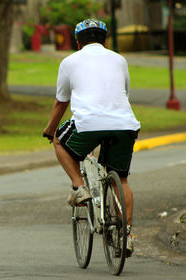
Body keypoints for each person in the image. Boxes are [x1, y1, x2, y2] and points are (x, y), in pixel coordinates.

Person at [43, 18, 140, 257]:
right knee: (123, 180)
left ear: (78, 43)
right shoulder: (119, 59)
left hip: (88, 124)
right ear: (105, 41)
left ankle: (79, 186)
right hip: (125, 124)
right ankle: (126, 234)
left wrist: (49, 129)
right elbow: (124, 93)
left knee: (59, 141)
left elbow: (61, 101)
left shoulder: (69, 62)